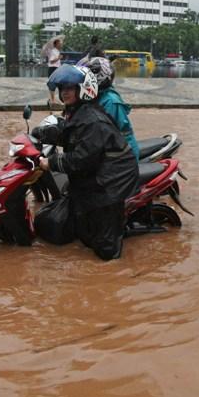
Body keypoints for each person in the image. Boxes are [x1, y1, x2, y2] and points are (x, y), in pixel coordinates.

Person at [39, 65, 139, 260]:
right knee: (84, 232)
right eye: (62, 89)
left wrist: (50, 163)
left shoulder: (93, 119)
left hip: (110, 183)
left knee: (105, 247)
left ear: (83, 89)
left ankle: (111, 280)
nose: (65, 92)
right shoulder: (77, 113)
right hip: (96, 178)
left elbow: (80, 159)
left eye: (70, 88)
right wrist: (43, 134)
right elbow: (70, 136)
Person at [84, 56, 140, 159]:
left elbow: (105, 133)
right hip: (113, 149)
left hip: (124, 155)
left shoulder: (110, 101)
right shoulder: (96, 97)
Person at [41, 35, 64, 105]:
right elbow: (51, 61)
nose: (61, 45)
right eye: (60, 43)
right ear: (56, 44)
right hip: (53, 68)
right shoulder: (53, 51)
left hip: (56, 68)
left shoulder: (56, 51)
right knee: (52, 84)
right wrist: (59, 58)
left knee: (57, 84)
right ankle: (52, 100)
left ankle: (53, 99)